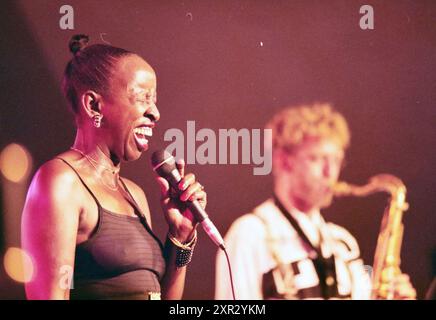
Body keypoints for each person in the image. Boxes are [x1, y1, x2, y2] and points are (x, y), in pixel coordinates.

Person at [21, 34, 206, 300]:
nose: (155, 113)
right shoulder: (61, 182)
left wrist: (181, 236)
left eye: (154, 99)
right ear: (94, 105)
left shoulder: (135, 195)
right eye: (143, 98)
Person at [215, 103, 416, 300]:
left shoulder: (342, 243)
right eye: (318, 158)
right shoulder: (249, 235)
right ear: (283, 161)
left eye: (336, 160)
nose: (330, 172)